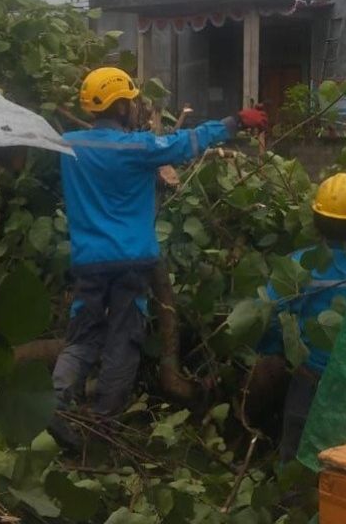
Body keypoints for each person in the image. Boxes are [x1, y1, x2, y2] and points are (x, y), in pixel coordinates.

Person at [51, 67, 267, 445]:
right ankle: (103, 424)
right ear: (120, 108)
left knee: (82, 337)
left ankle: (55, 405)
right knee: (123, 339)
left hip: (89, 262)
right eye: (131, 103)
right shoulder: (139, 148)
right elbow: (187, 142)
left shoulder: (68, 145)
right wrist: (236, 121)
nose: (135, 109)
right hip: (134, 262)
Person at [259, 172, 346, 462]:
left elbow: (272, 315)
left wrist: (274, 353)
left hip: (310, 380)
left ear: (315, 219)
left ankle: (290, 501)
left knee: (296, 454)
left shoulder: (297, 266)